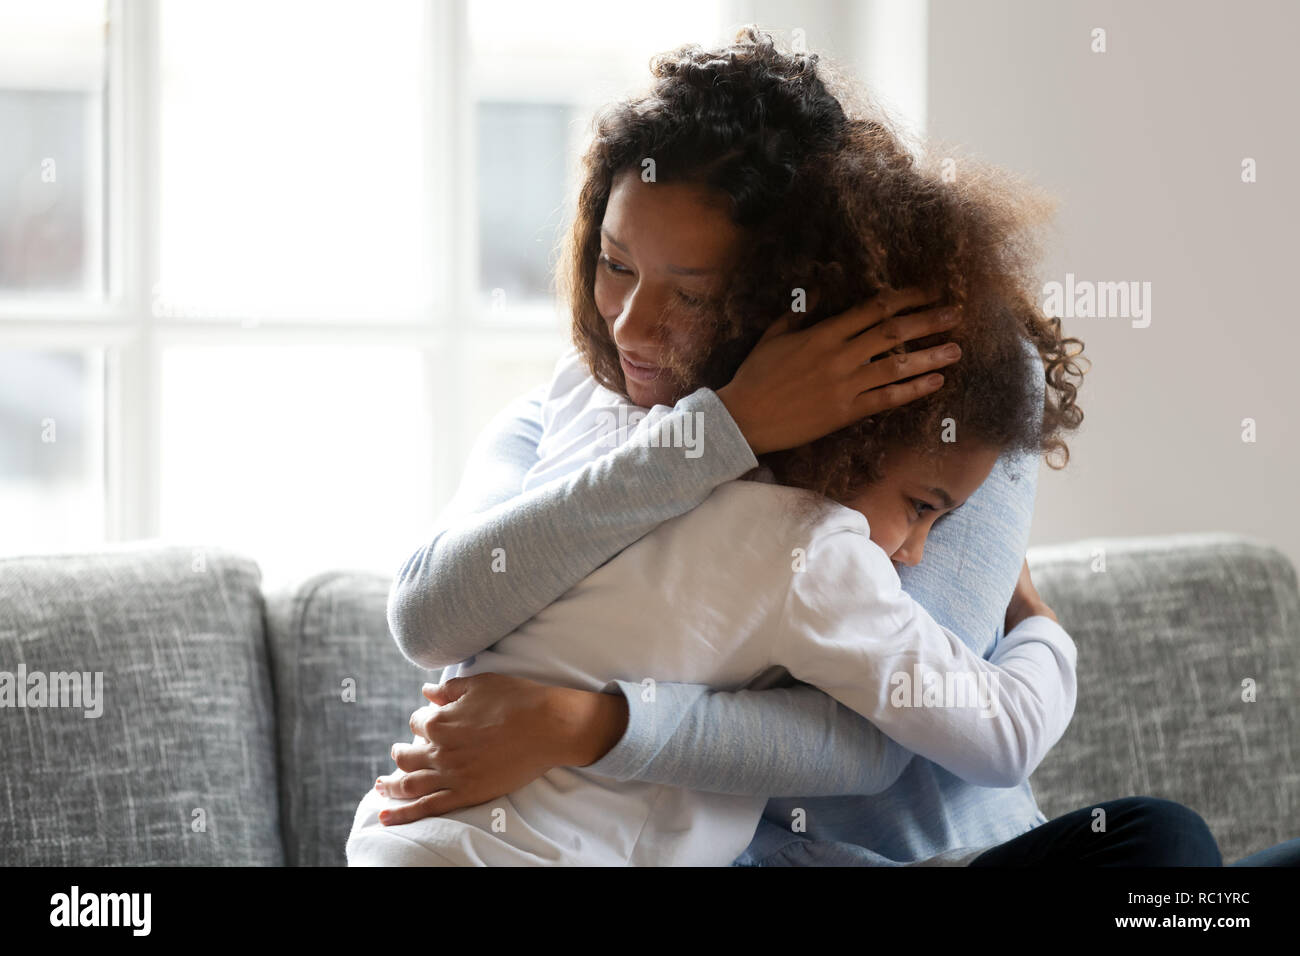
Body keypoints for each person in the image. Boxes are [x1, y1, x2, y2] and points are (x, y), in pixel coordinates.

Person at [369, 28, 1235, 866]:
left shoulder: (930, 395)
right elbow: (432, 616)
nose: (628, 325)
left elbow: (869, 748)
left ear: (785, 299)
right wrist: (722, 430)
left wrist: (586, 724)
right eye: (615, 262)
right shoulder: (573, 406)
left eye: (693, 294)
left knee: (1169, 854)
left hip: (944, 851)